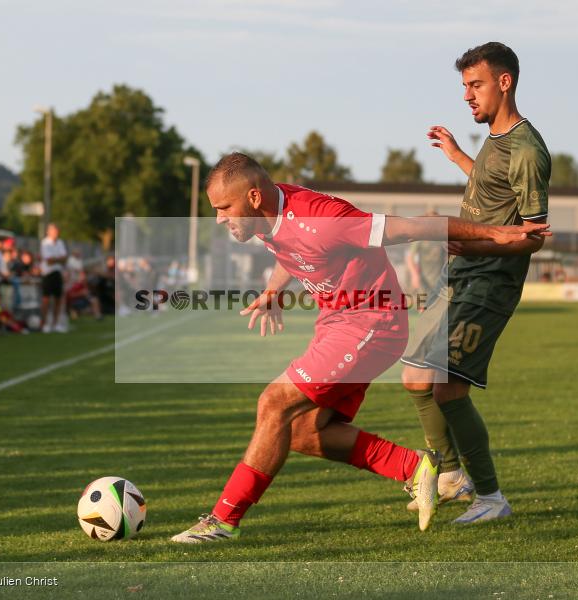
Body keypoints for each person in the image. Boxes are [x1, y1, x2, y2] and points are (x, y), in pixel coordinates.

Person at [170, 152, 549, 543]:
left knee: (273, 403)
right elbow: (291, 249)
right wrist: (272, 291)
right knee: (301, 430)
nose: (219, 219)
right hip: (337, 324)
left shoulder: (324, 219)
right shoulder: (266, 215)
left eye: (223, 208)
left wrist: (496, 233)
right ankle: (415, 469)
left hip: (372, 324)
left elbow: (414, 227)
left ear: (252, 198)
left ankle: (223, 520)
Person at [400, 42, 551, 524]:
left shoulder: (527, 150)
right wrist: (460, 157)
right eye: (464, 85)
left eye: (475, 84)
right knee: (415, 377)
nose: (467, 95)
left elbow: (532, 237)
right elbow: (489, 191)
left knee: (447, 390)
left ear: (504, 82)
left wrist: (474, 246)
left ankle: (490, 497)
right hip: (459, 273)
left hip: (489, 283)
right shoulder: (494, 140)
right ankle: (450, 476)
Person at [40, 223, 68, 333]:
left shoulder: (60, 242)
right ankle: (45, 323)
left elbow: (64, 258)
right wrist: (58, 259)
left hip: (57, 272)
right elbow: (49, 260)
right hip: (48, 273)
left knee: (58, 299)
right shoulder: (45, 243)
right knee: (46, 299)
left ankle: (55, 323)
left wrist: (56, 259)